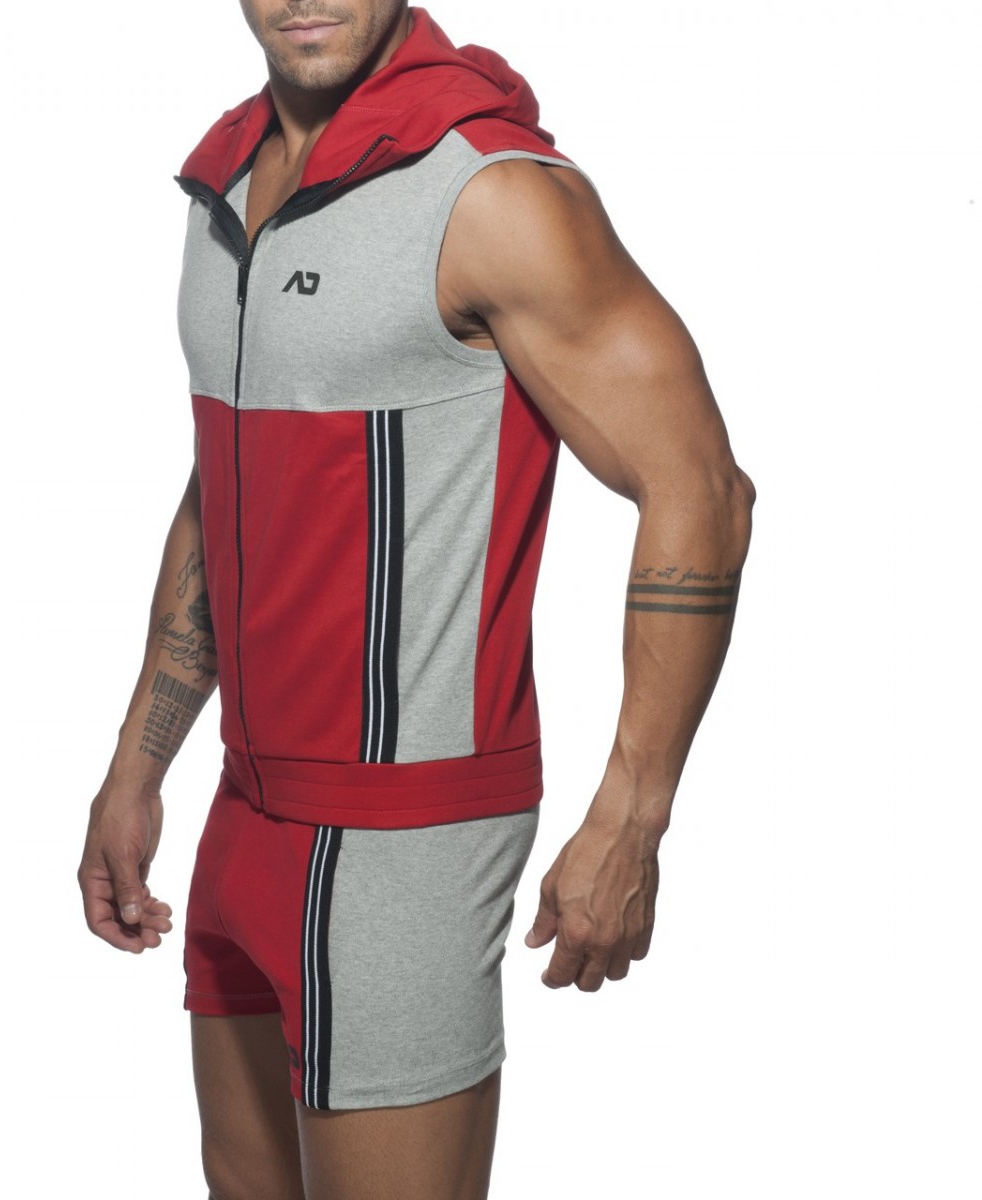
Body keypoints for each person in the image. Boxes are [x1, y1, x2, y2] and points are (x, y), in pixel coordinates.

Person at [78, 3, 755, 1196]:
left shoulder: (491, 193)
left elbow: (698, 486)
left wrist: (630, 818)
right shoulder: (225, 185)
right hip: (245, 807)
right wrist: (139, 766)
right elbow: (228, 482)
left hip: (404, 837)